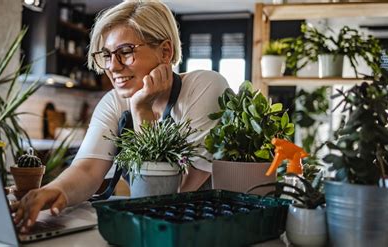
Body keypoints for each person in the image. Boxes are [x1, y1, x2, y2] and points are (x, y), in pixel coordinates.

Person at [13, 0, 229, 232]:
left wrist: (141, 110)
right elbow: (87, 169)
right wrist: (54, 191)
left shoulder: (205, 86)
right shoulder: (113, 102)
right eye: (106, 55)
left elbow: (175, 194)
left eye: (125, 52)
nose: (113, 67)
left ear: (165, 51)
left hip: (207, 228)